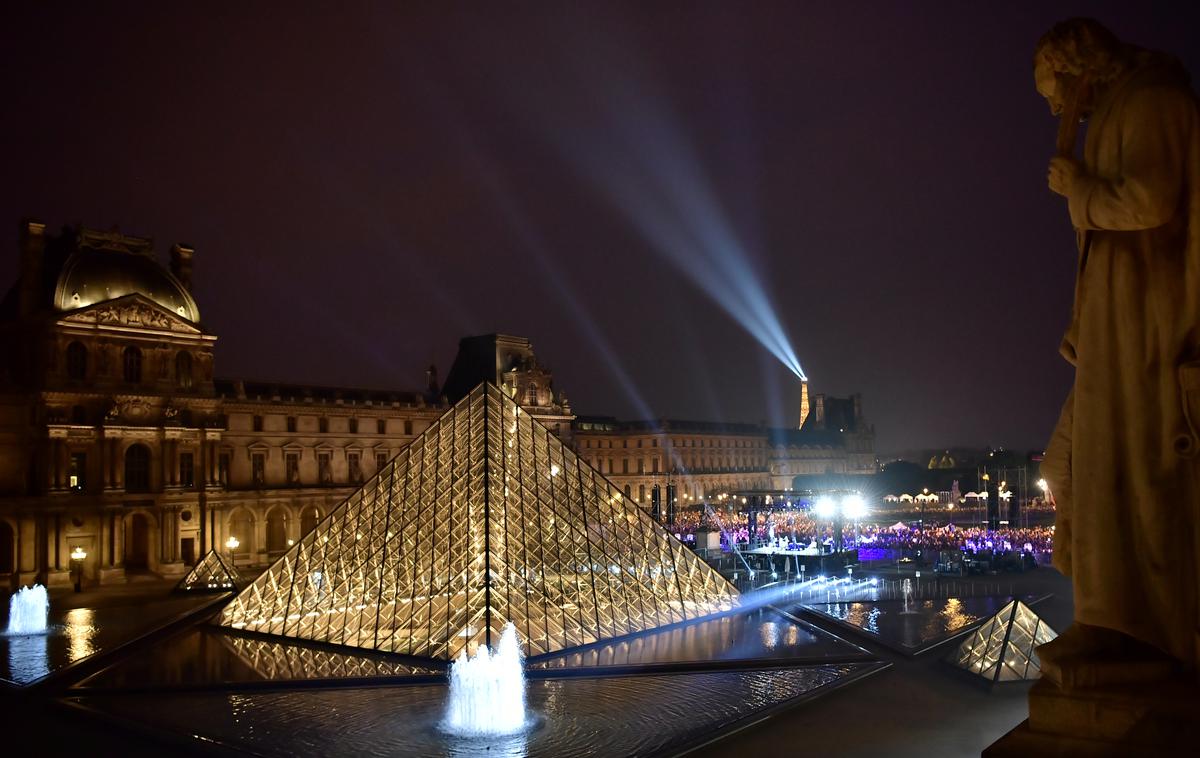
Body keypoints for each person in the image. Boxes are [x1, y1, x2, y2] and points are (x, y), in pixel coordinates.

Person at [1035, 18, 1200, 685]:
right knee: (1101, 471)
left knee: (1136, 469)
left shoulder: (1153, 101)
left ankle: (1146, 627)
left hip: (1149, 325)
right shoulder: (1124, 109)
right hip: (1117, 323)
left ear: (1079, 71)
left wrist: (1078, 188)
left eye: (1052, 92)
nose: (1052, 109)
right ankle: (1108, 620)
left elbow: (1151, 203)